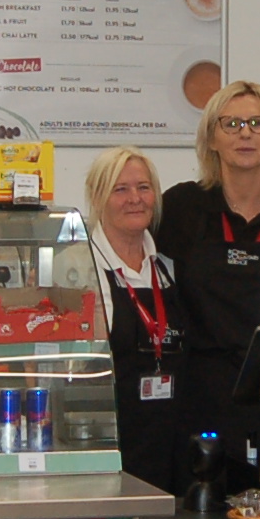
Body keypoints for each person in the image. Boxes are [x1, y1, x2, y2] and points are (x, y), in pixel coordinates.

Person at [152, 80, 260, 492]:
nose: (244, 133)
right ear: (211, 138)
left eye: (257, 123)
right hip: (197, 400)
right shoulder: (180, 208)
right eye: (230, 123)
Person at [77, 145, 188, 493]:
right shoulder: (82, 269)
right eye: (120, 189)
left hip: (170, 445)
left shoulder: (169, 267)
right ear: (98, 197)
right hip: (111, 446)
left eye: (143, 187)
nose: (134, 199)